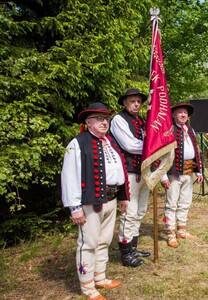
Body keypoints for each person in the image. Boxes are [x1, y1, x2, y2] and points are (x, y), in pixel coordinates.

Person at [61, 102, 129, 300]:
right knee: (88, 243)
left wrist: (123, 196)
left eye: (106, 118)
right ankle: (88, 287)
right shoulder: (78, 143)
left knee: (104, 241)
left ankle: (100, 277)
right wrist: (75, 207)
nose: (104, 122)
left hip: (111, 199)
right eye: (99, 119)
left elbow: (120, 170)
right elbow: (69, 176)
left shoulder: (111, 142)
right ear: (88, 122)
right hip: (90, 202)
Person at [110, 88, 151, 268]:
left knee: (140, 211)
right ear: (125, 102)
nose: (136, 104)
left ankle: (133, 248)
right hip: (129, 171)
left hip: (143, 171)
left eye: (138, 101)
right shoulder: (118, 120)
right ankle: (126, 253)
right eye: (132, 101)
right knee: (130, 212)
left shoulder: (141, 121)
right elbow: (130, 145)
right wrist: (153, 146)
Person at [161, 102, 203, 248]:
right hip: (173, 173)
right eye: (180, 112)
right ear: (174, 115)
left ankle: (181, 230)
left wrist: (199, 170)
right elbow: (161, 154)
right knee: (171, 203)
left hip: (189, 171)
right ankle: (170, 234)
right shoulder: (169, 130)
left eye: (185, 113)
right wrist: (163, 176)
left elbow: (196, 152)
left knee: (185, 202)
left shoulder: (190, 129)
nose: (183, 115)